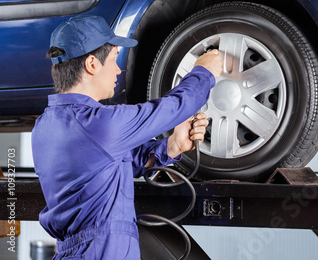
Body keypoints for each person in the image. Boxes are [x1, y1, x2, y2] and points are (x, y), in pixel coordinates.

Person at [31, 15, 222, 259]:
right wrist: (204, 71)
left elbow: (111, 164)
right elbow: (175, 107)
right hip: (103, 252)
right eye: (114, 58)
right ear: (91, 64)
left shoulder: (45, 126)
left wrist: (171, 147)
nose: (119, 69)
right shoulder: (99, 124)